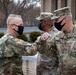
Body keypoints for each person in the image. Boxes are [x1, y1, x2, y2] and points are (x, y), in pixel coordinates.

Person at [40, 7, 76, 75]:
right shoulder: (57, 36)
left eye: (56, 20)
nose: (55, 23)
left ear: (64, 19)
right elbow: (45, 51)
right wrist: (42, 42)